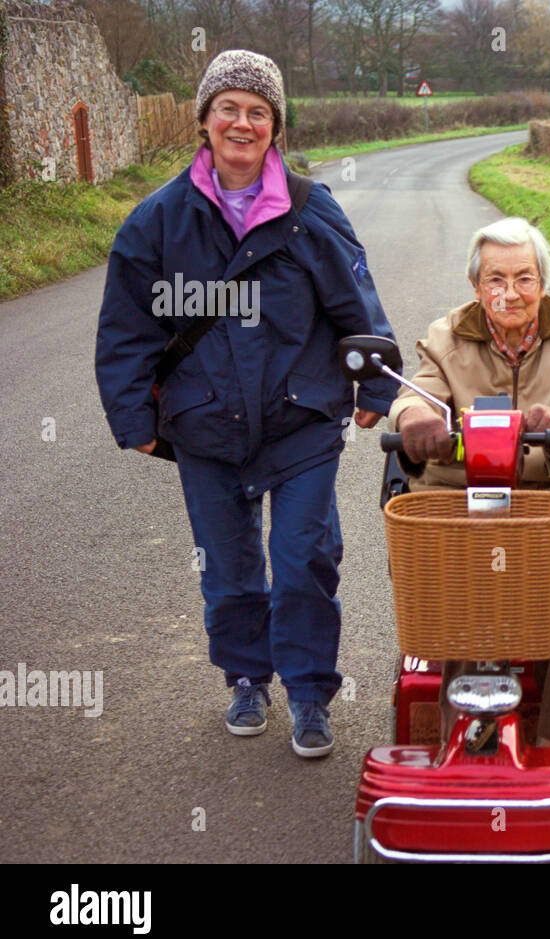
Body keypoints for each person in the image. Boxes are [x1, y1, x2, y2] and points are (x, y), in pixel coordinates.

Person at [94, 50, 397, 758]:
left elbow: (359, 304)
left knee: (303, 561)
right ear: (203, 120)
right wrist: (133, 417)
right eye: (227, 107)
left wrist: (376, 385)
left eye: (258, 111)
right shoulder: (157, 220)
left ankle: (312, 693)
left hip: (301, 422)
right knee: (229, 569)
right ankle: (246, 678)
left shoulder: (308, 209)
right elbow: (127, 327)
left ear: (275, 128)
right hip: (204, 425)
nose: (242, 121)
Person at [389, 217, 550, 746]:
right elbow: (414, 393)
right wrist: (413, 420)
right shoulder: (445, 336)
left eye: (524, 278)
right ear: (476, 286)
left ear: (544, 282)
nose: (509, 294)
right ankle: (458, 734)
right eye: (495, 279)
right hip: (464, 496)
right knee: (454, 563)